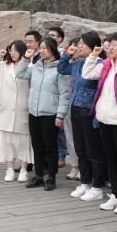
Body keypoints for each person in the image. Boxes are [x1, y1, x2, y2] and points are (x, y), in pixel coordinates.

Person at [82, 32, 117, 215]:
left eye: (114, 45)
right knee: (111, 159)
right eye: (109, 44)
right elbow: (87, 74)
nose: (110, 48)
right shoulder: (106, 63)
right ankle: (115, 195)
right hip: (104, 118)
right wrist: (92, 56)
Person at [17, 36, 69, 191]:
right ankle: (39, 175)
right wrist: (25, 58)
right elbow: (20, 74)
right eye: (40, 48)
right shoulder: (36, 66)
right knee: (37, 146)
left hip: (50, 114)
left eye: (44, 48)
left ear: (52, 49)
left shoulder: (60, 69)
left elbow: (64, 94)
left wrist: (60, 115)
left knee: (50, 147)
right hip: (34, 113)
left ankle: (51, 176)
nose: (41, 51)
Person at [59, 32, 106, 202]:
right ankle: (85, 182)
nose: (79, 46)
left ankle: (98, 186)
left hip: (89, 109)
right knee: (80, 148)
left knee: (93, 149)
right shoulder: (78, 61)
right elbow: (62, 68)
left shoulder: (100, 63)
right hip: (75, 106)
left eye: (82, 44)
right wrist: (68, 54)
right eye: (78, 43)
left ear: (93, 46)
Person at [0, 40, 33, 182]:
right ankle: (10, 169)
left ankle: (23, 170)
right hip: (5, 110)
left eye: (15, 50)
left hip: (22, 109)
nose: (12, 53)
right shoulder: (3, 65)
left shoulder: (30, 66)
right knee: (7, 142)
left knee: (24, 142)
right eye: (10, 50)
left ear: (22, 51)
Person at [46, 26, 71, 171]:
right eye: (49, 35)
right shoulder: (44, 52)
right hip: (48, 92)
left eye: (54, 36)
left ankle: (61, 155)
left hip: (60, 91)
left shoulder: (63, 53)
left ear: (60, 39)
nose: (51, 37)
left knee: (59, 128)